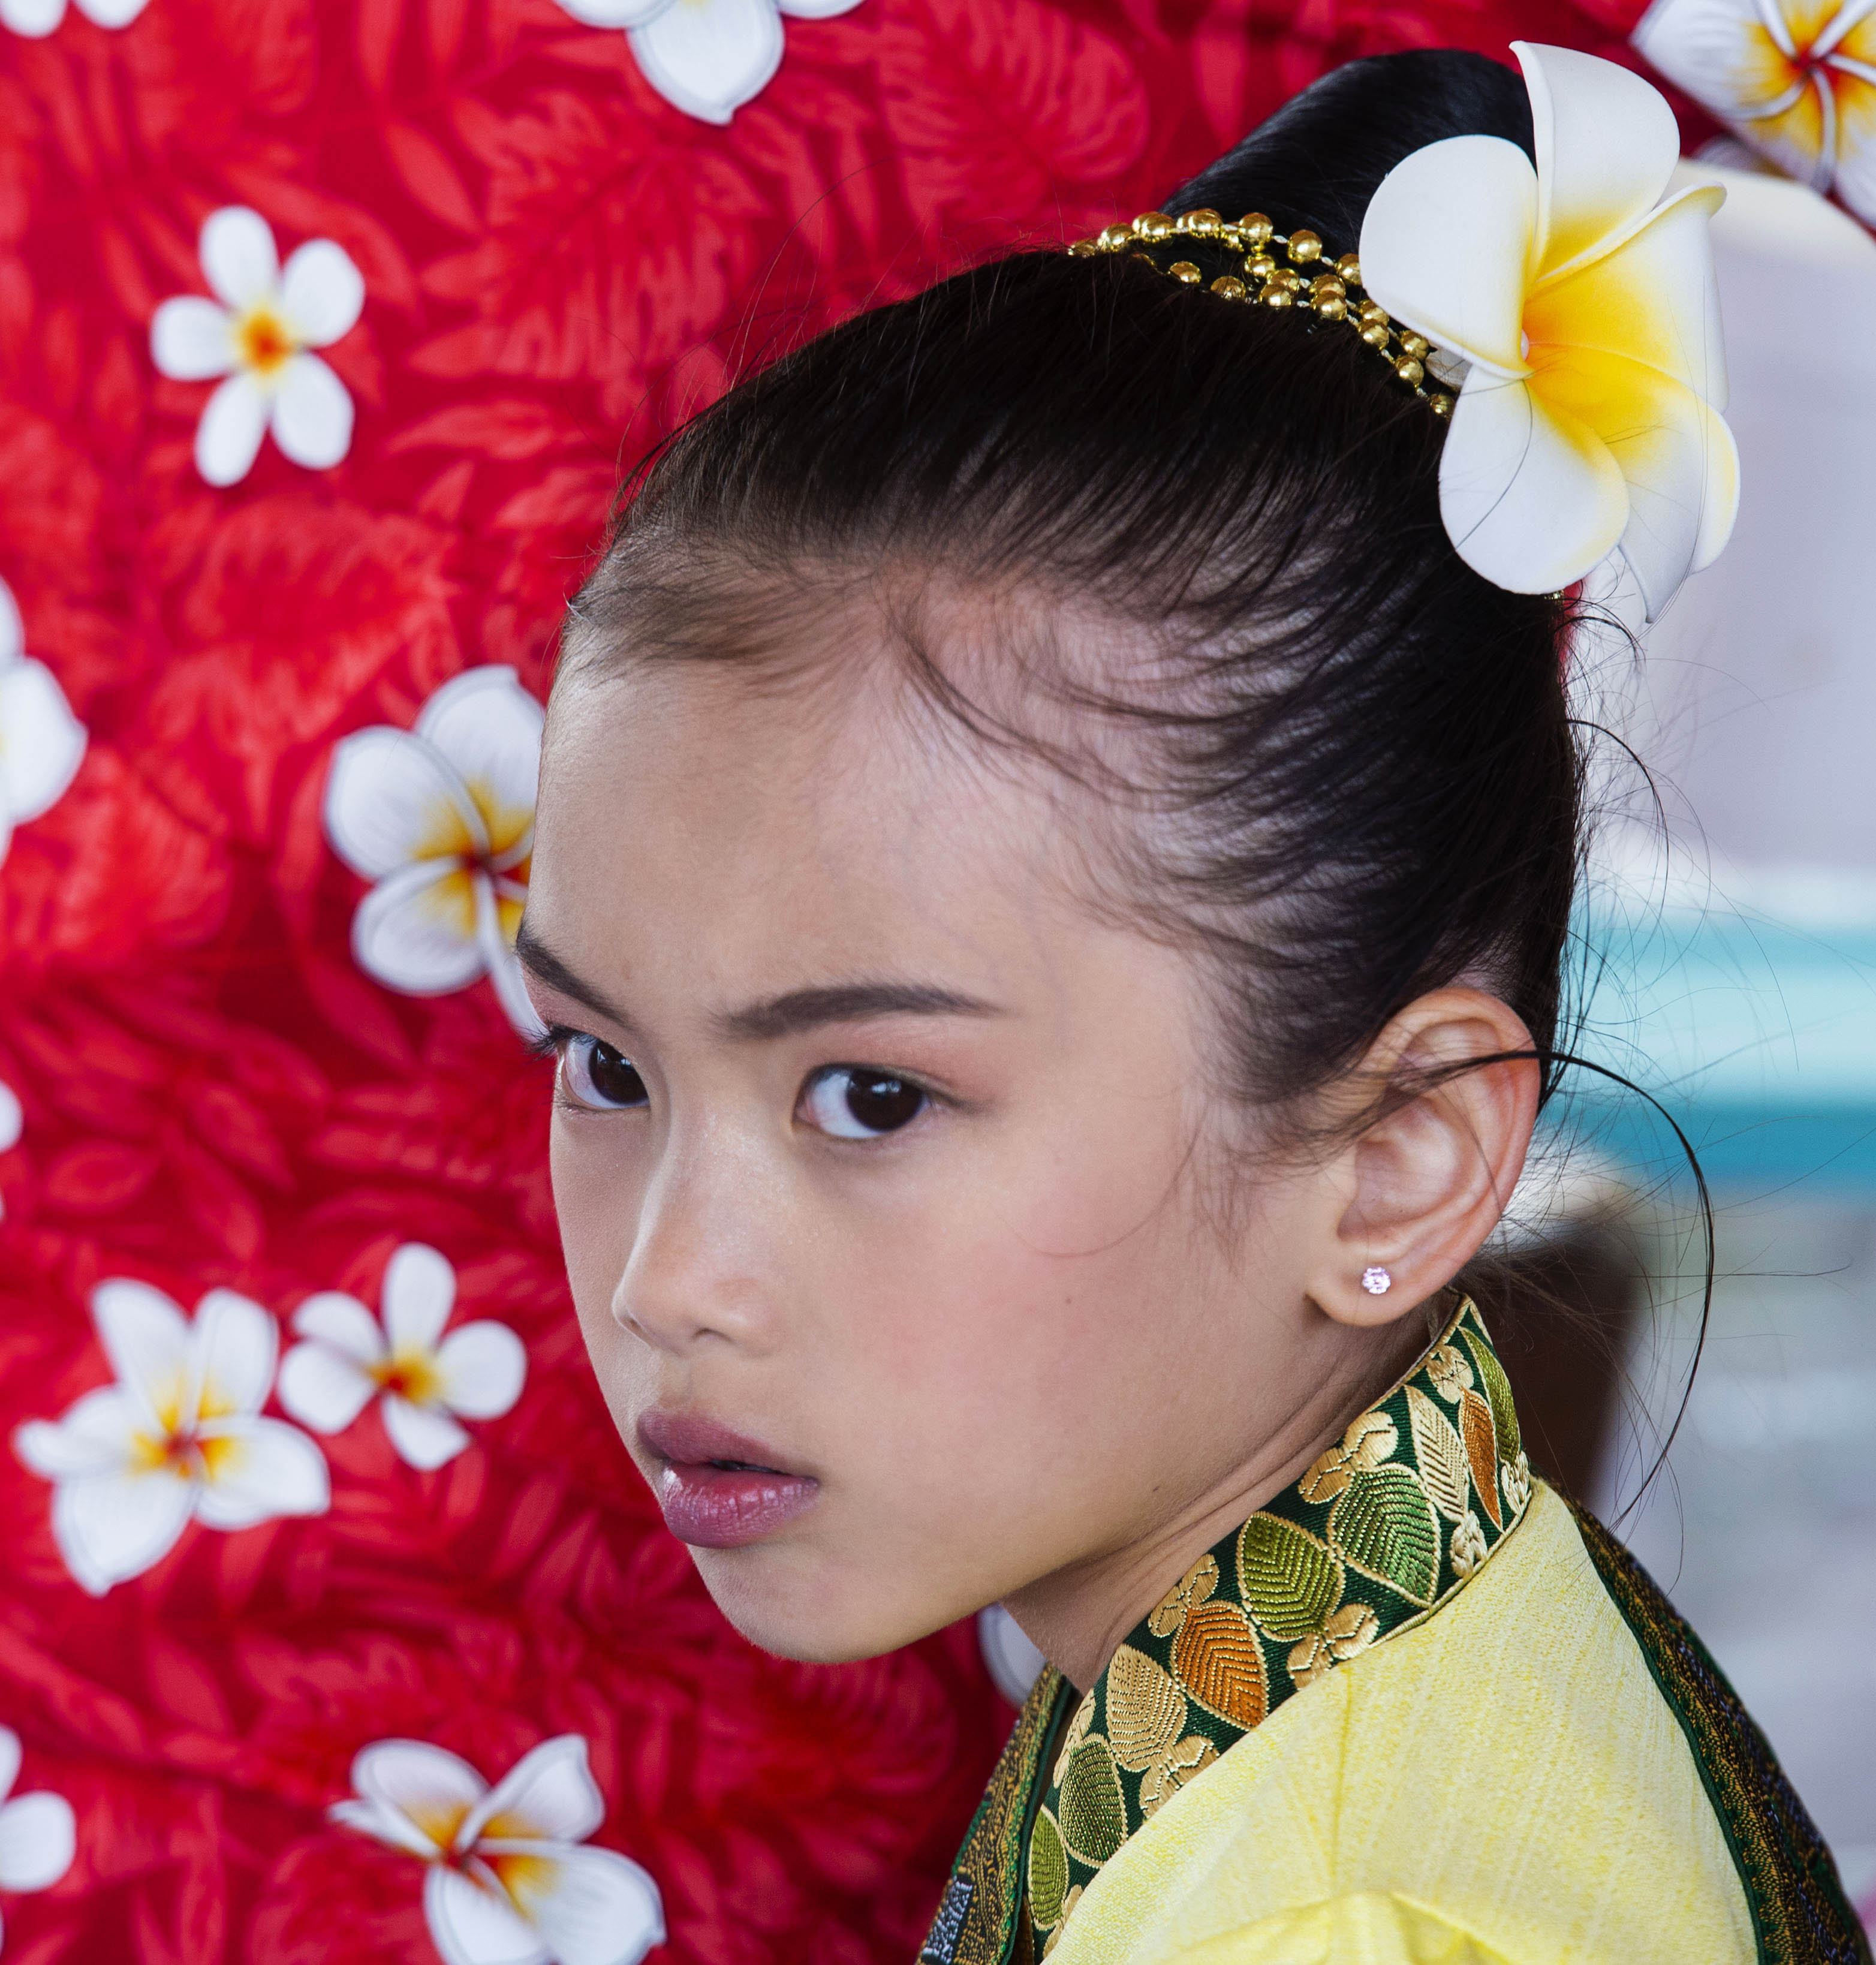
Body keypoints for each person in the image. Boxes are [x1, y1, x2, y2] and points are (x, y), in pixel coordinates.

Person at [514, 37, 1868, 1965]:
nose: (665, 1280)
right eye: (600, 1061)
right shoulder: (1295, 1657)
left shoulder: (1339, 1920)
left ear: (1397, 1161)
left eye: (870, 1098)